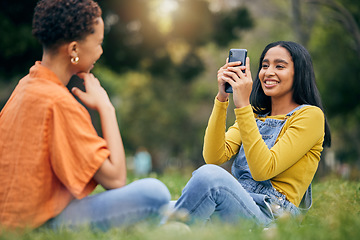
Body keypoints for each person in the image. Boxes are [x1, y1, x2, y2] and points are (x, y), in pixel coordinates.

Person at [0, 0, 170, 231]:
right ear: (74, 50)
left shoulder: (25, 87)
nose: (100, 51)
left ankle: (169, 222)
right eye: (99, 43)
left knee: (162, 203)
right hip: (39, 224)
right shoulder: (58, 102)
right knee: (154, 192)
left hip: (12, 220)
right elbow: (115, 179)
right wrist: (106, 108)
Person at [173, 41, 331, 226]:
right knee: (152, 196)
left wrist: (243, 106)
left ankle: (174, 230)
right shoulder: (254, 115)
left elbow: (263, 170)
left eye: (279, 66)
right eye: (264, 65)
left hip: (272, 214)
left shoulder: (310, 116)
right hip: (237, 202)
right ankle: (175, 227)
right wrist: (222, 97)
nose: (268, 72)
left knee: (209, 177)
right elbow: (214, 156)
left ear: (299, 73)